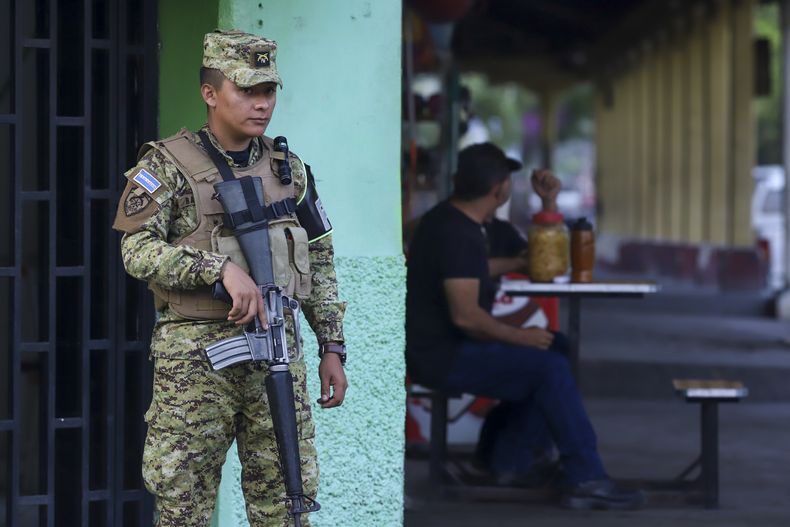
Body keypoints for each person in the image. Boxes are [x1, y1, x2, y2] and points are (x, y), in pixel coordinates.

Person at [112, 29, 348, 526]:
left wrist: (332, 346)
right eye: (247, 90)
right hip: (196, 367)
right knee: (184, 508)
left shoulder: (290, 171)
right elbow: (135, 250)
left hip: (279, 361)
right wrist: (218, 269)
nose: (262, 104)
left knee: (286, 504)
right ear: (210, 93)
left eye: (269, 91)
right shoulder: (166, 166)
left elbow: (320, 258)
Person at [405, 142, 643, 510]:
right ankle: (586, 476)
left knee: (554, 349)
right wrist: (521, 335)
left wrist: (549, 206)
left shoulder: (473, 226)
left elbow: (542, 265)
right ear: (499, 188)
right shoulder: (454, 232)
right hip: (440, 355)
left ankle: (505, 460)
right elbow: (466, 316)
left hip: (451, 345)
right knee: (548, 367)